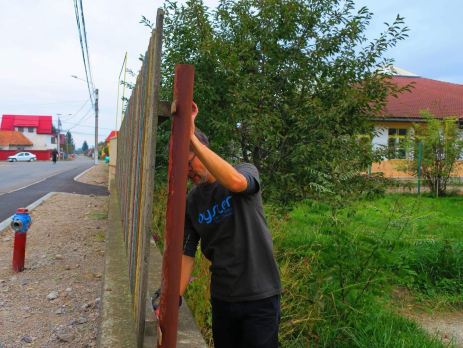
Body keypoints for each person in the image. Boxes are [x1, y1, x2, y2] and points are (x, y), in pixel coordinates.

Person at [181, 102, 281, 348]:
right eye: (181, 168)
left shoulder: (244, 170)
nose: (188, 172)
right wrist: (173, 297)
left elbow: (236, 184)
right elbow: (187, 251)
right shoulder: (192, 201)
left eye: (190, 162)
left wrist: (190, 136)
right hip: (223, 298)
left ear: (202, 149)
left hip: (260, 295)